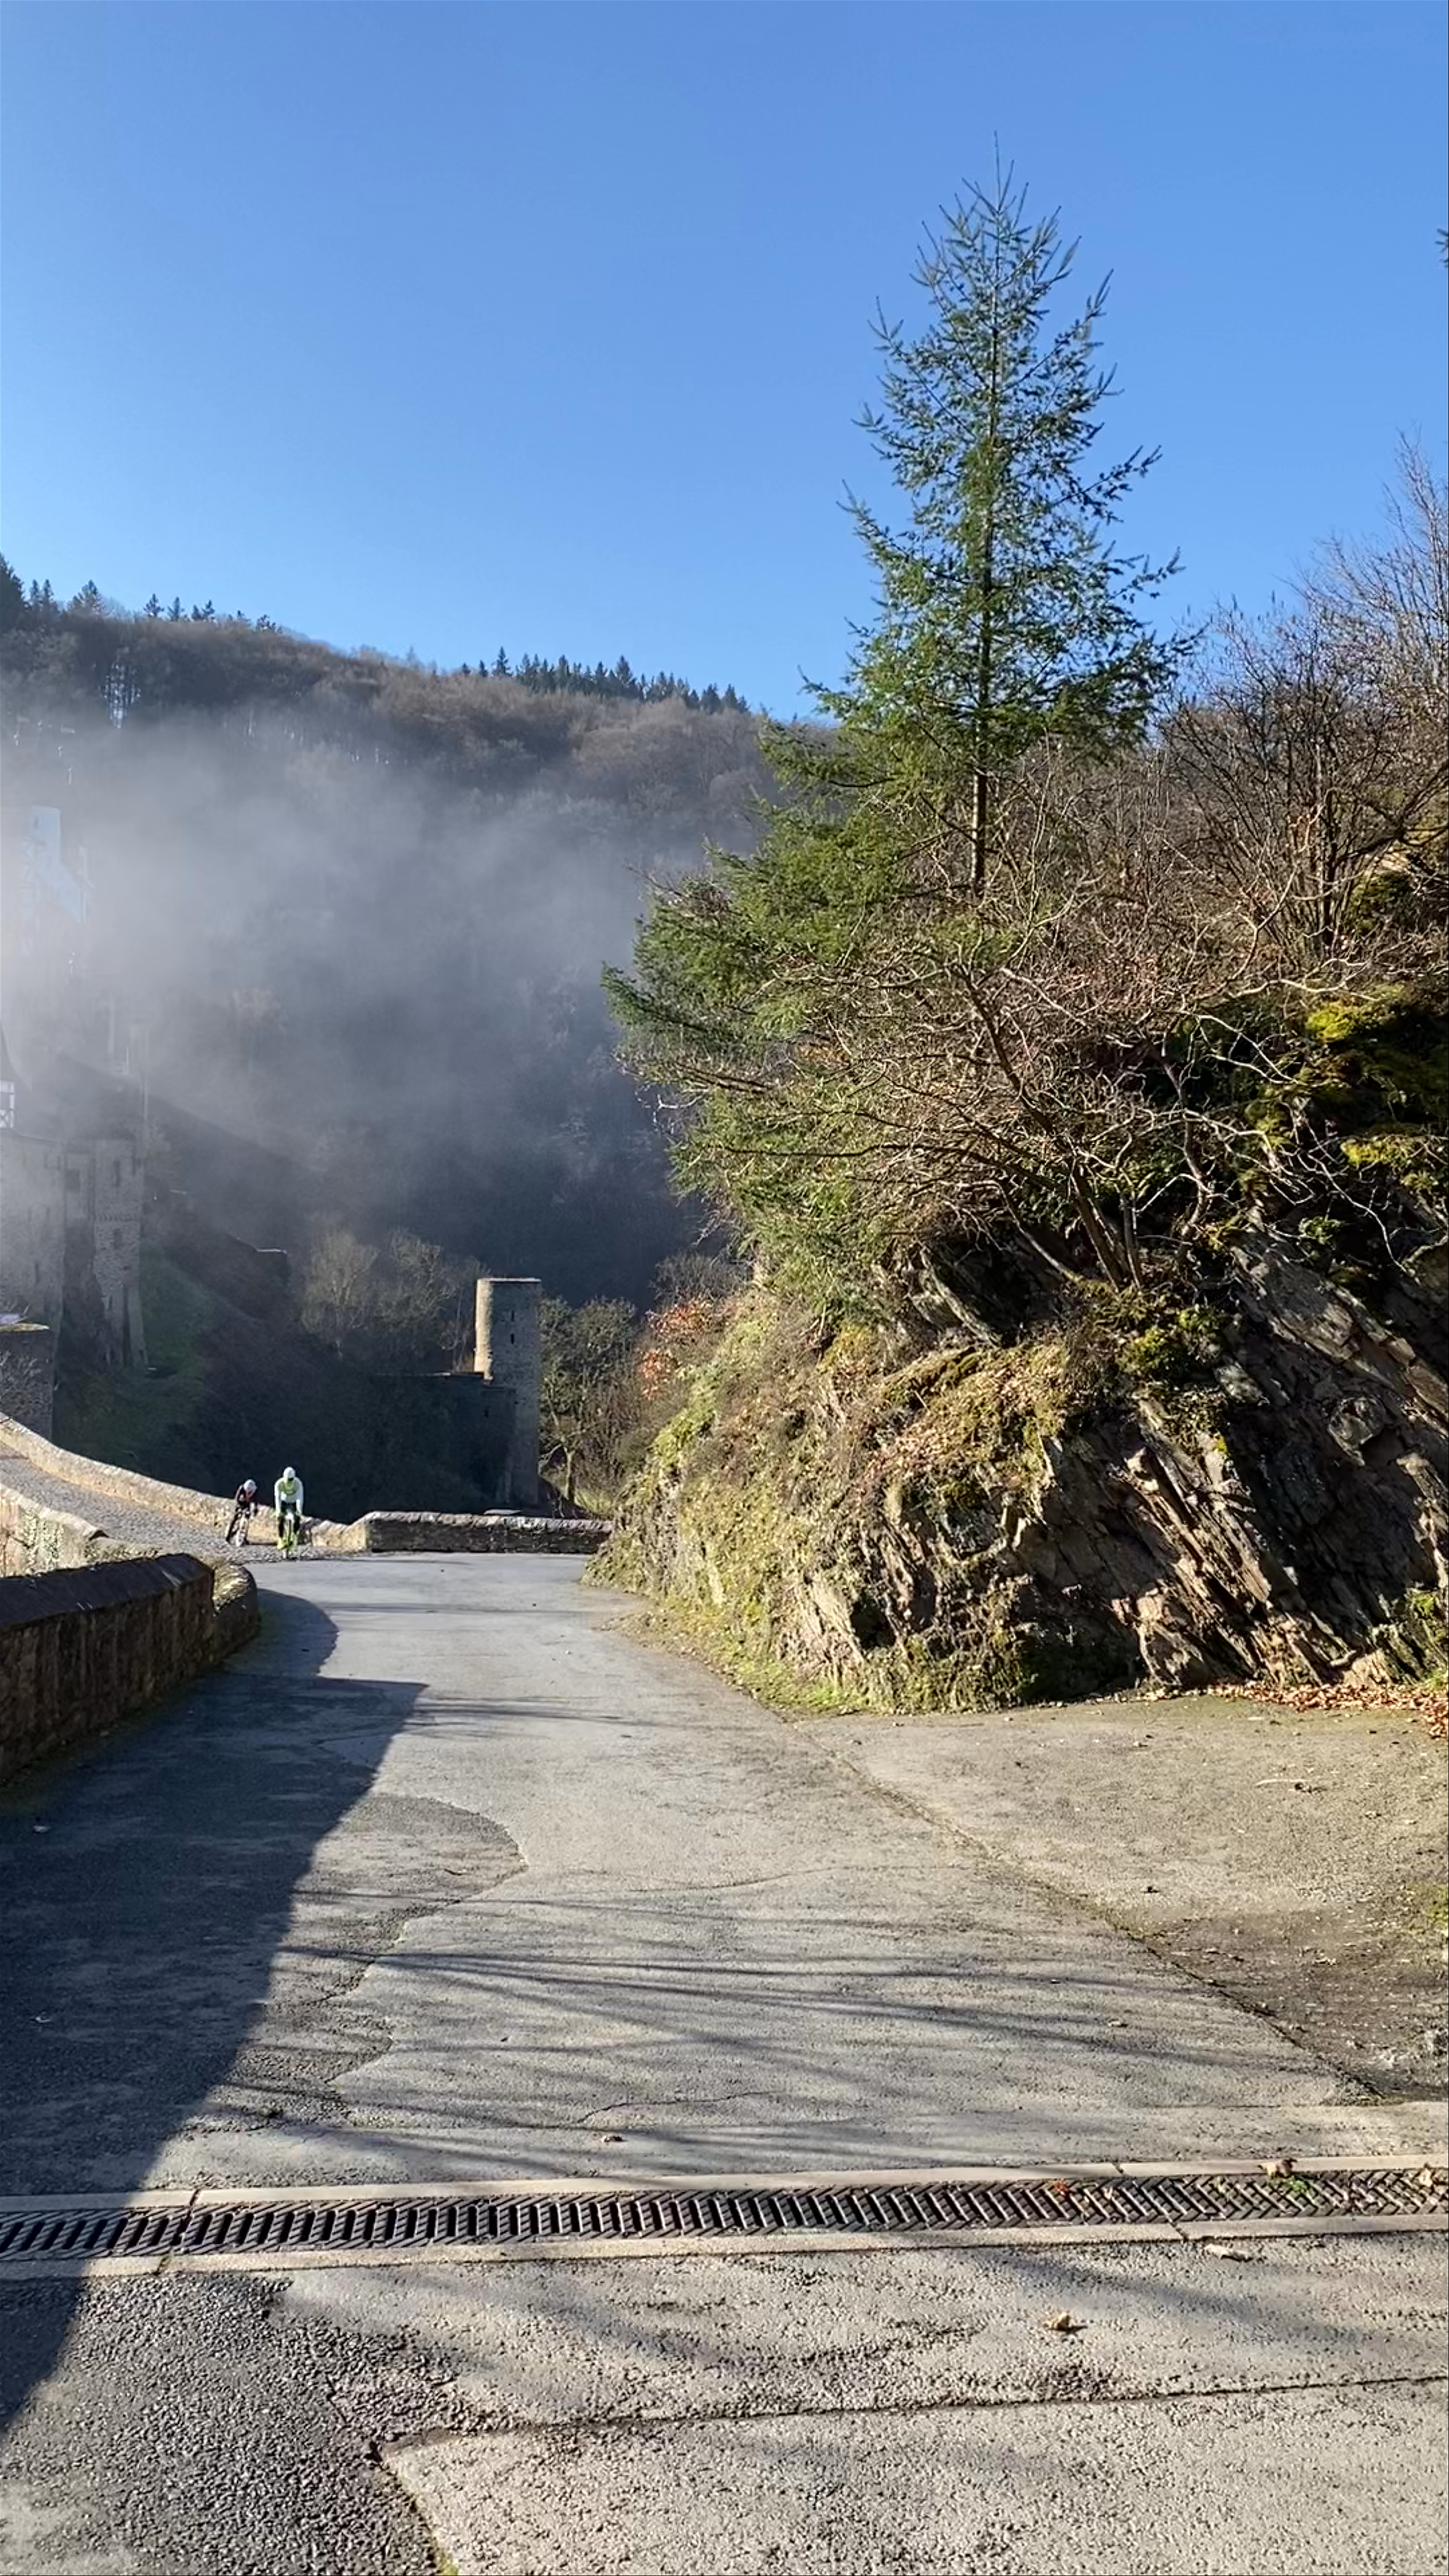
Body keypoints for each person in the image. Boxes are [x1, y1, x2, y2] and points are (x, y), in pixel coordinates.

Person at [274, 1465, 305, 1552]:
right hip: (284, 1502)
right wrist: (278, 1511)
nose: (290, 1482)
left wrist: (299, 1511)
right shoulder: (279, 1484)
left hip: (294, 1502)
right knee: (280, 1519)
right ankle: (280, 1539)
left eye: (291, 1480)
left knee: (297, 1518)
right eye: (288, 1480)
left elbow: (300, 1497)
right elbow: (278, 1498)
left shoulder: (298, 1483)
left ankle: (294, 1535)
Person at [226, 1478, 259, 1546]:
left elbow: (256, 1500)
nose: (249, 1493)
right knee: (235, 1518)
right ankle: (229, 1534)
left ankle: (244, 1537)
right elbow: (237, 1498)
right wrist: (239, 1505)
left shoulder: (254, 1491)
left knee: (247, 1519)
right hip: (240, 1503)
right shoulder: (241, 1488)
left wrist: (255, 1508)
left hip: (247, 1505)